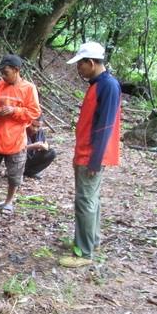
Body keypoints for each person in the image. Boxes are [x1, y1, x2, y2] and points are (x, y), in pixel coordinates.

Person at [59, 41, 121, 268]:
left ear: (92, 63)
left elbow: (105, 125)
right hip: (86, 152)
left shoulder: (108, 86)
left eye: (80, 65)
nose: (78, 69)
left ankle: (83, 253)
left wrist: (95, 159)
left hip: (91, 155)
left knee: (85, 201)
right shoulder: (99, 84)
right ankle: (90, 241)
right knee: (90, 199)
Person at [0, 54, 41, 214]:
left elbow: (34, 112)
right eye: (1, 73)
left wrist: (15, 110)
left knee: (14, 176)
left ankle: (9, 201)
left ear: (16, 70)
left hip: (16, 140)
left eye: (6, 72)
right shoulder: (0, 85)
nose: (3, 76)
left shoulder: (28, 88)